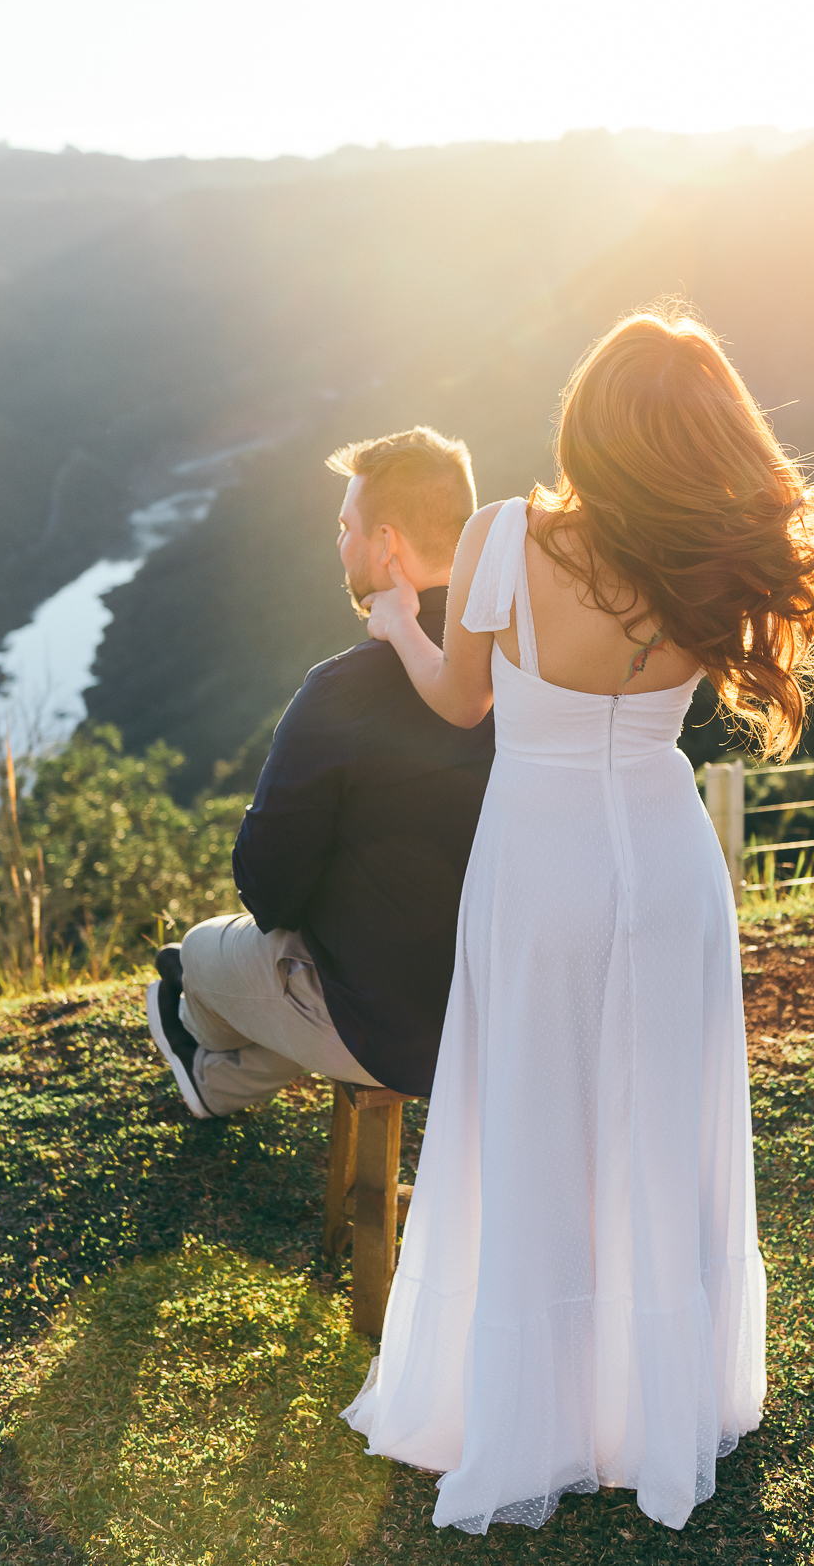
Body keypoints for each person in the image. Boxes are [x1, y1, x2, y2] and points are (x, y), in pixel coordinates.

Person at [343, 311, 814, 1533]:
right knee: (655, 1116)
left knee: (532, 1116)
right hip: (666, 855)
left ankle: (526, 1404)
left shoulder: (502, 538)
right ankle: (653, 1400)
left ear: (587, 419)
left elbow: (459, 700)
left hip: (538, 863)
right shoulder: (708, 558)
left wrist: (395, 626)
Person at [145, 426, 494, 1116]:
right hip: (502, 1006)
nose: (339, 546)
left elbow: (267, 889)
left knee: (196, 957)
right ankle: (215, 1085)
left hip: (392, 1027)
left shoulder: (345, 690)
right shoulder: (524, 667)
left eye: (345, 528)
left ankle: (196, 1030)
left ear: (386, 543)